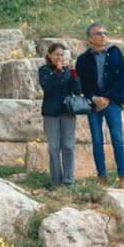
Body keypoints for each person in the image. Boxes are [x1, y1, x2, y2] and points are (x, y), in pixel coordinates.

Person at [75, 23, 124, 182]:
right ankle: (102, 177)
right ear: (90, 38)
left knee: (117, 139)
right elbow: (83, 83)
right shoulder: (83, 59)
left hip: (112, 102)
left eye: (105, 33)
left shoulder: (115, 53)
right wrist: (94, 98)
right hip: (93, 103)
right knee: (97, 140)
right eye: (98, 33)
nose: (103, 36)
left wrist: (107, 98)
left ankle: (122, 177)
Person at [39, 42, 81, 188]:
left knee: (68, 146)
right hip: (51, 113)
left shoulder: (68, 71)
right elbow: (48, 88)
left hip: (67, 112)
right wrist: (57, 72)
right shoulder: (44, 70)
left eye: (62, 54)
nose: (59, 57)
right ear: (49, 55)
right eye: (56, 54)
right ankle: (55, 181)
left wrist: (74, 73)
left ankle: (69, 181)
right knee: (54, 148)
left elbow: (77, 91)